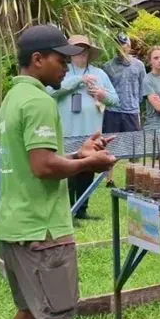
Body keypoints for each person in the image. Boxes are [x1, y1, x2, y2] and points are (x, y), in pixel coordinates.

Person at [0, 24, 117, 319]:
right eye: (60, 58)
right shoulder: (40, 102)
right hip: (44, 231)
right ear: (37, 60)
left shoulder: (12, 99)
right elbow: (43, 167)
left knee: (29, 313)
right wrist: (87, 165)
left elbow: (37, 158)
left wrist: (77, 155)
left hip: (14, 226)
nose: (67, 65)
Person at [47, 35, 117, 220]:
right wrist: (79, 80)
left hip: (92, 133)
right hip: (68, 133)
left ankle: (82, 210)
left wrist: (102, 94)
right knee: (68, 170)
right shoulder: (62, 72)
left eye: (84, 49)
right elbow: (51, 92)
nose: (81, 53)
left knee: (88, 171)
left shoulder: (100, 74)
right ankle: (67, 211)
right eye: (76, 49)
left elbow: (115, 100)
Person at [101, 33, 145, 187]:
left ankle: (133, 180)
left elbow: (142, 87)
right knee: (111, 145)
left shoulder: (139, 66)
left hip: (132, 111)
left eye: (124, 44)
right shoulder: (107, 66)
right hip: (113, 111)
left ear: (129, 45)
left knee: (134, 146)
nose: (122, 48)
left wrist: (136, 104)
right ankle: (109, 179)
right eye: (119, 45)